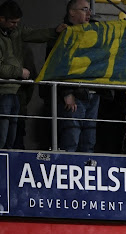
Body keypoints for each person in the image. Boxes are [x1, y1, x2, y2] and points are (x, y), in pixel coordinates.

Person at [0, 0, 65, 149]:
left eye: (17, 22)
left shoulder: (16, 32)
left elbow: (34, 33)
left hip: (15, 92)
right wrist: (19, 72)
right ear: (1, 18)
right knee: (2, 137)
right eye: (12, 22)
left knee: (11, 138)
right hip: (3, 93)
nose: (15, 26)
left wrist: (55, 32)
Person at [57, 0, 99, 153]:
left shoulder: (96, 31)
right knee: (71, 140)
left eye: (90, 10)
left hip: (94, 94)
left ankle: (86, 176)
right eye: (84, 9)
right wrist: (67, 92)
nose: (89, 14)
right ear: (72, 12)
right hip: (75, 95)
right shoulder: (61, 33)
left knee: (89, 141)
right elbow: (57, 65)